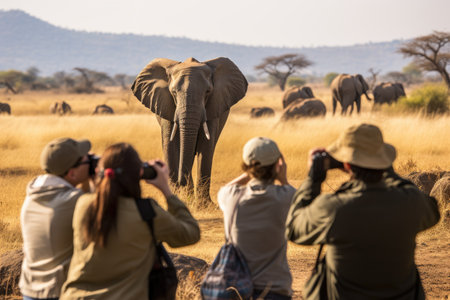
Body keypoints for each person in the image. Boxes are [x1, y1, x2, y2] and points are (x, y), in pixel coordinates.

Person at [285, 123, 441, 300]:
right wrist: (388, 171)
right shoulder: (410, 203)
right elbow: (433, 211)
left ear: (348, 165)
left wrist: (313, 180)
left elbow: (294, 228)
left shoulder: (334, 208)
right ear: (384, 161)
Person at [60, 142, 200, 299]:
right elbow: (191, 233)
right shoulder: (147, 212)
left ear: (100, 173)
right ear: (140, 173)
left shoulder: (83, 205)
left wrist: (95, 175)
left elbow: (99, 195)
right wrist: (166, 190)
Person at [217, 137, 295, 300]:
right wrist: (283, 179)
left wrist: (249, 173)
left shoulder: (231, 196)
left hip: (236, 289)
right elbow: (299, 200)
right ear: (278, 165)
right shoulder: (286, 197)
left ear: (247, 165)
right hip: (275, 289)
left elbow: (226, 188)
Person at [20, 137, 93, 300]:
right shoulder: (73, 201)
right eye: (84, 160)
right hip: (58, 292)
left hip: (30, 289)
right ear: (72, 173)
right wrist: (97, 180)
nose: (89, 160)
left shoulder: (33, 195)